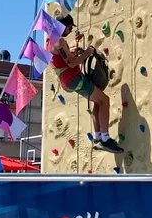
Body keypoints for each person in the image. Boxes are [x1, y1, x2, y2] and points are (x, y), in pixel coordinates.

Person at [50, 14, 121, 154]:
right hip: (74, 79)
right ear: (63, 26)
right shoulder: (59, 41)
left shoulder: (50, 40)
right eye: (69, 27)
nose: (70, 31)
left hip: (69, 81)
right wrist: (88, 52)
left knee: (98, 102)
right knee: (105, 100)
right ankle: (105, 139)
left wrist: (72, 52)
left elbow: (65, 58)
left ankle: (98, 137)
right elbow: (72, 64)